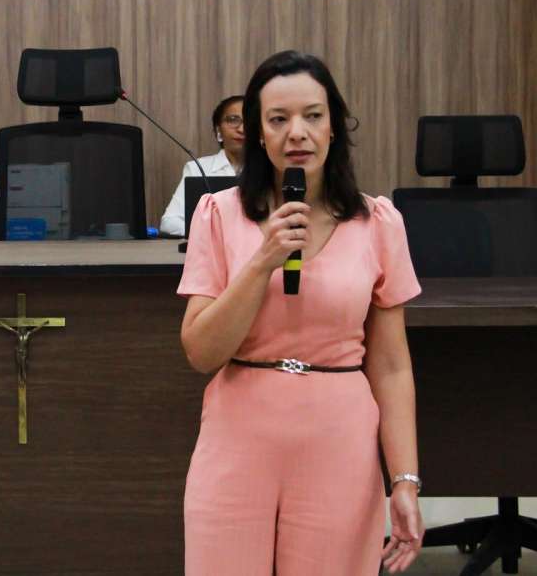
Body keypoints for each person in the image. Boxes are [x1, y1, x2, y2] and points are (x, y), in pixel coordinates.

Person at [178, 51, 424, 575]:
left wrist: (404, 479)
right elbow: (200, 352)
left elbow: (391, 366)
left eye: (313, 115)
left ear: (334, 126)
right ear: (258, 134)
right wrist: (263, 260)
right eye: (278, 119)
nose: (297, 133)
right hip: (238, 435)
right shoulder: (218, 215)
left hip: (338, 438)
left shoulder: (378, 222)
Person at [158, 96, 245, 237]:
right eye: (233, 120)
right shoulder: (197, 168)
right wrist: (213, 233)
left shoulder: (273, 168)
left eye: (250, 121)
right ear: (218, 130)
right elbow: (169, 223)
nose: (242, 129)